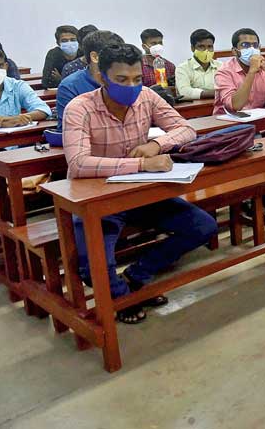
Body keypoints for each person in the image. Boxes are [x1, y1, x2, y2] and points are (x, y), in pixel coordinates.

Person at [63, 43, 216, 324]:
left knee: (203, 227)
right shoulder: (80, 109)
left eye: (136, 79)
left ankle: (136, 277)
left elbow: (187, 129)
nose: (131, 86)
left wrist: (158, 143)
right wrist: (142, 164)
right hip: (98, 200)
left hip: (140, 192)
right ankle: (122, 297)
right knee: (92, 266)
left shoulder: (146, 97)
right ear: (102, 78)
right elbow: (79, 163)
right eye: (121, 80)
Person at [214, 28, 265, 115]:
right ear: (234, 51)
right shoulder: (224, 72)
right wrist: (251, 71)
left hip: (258, 119)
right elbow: (236, 106)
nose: (252, 49)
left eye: (255, 45)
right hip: (228, 123)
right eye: (245, 45)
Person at [56, 30, 125, 132]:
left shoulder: (127, 80)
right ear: (95, 57)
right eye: (114, 56)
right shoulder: (70, 86)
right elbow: (68, 131)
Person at [0, 48, 51, 126]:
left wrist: (22, 118)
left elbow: (44, 109)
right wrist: (3, 121)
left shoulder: (17, 85)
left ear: (6, 66)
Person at [175, 29, 219, 100]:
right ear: (192, 48)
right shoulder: (182, 68)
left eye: (210, 46)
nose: (206, 50)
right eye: (201, 46)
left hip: (219, 106)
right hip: (194, 109)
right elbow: (184, 92)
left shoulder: (221, 66)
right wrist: (215, 93)